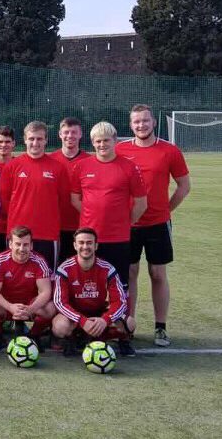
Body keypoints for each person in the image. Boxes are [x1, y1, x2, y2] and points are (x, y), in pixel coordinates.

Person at [116, 104, 191, 347]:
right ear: (131, 125)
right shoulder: (120, 150)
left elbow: (184, 186)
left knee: (157, 273)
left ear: (154, 122)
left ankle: (160, 327)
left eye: (145, 120)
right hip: (128, 224)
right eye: (137, 122)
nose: (141, 125)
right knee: (130, 272)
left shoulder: (169, 151)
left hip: (158, 224)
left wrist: (166, 210)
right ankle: (128, 323)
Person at [71, 122, 147, 305]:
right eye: (98, 141)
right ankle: (89, 319)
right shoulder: (82, 166)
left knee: (119, 285)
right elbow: (75, 200)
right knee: (88, 287)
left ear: (115, 141)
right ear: (92, 142)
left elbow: (141, 203)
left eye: (106, 140)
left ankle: (120, 320)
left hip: (118, 238)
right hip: (89, 239)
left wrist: (125, 222)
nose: (102, 144)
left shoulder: (129, 167)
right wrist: (92, 216)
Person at [53, 228, 135, 356]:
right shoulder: (64, 269)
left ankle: (116, 339)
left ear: (96, 246)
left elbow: (120, 301)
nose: (85, 246)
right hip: (76, 315)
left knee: (129, 323)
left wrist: (105, 320)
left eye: (89, 243)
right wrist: (82, 320)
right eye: (81, 243)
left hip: (99, 313)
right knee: (60, 326)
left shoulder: (108, 269)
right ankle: (73, 338)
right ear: (75, 245)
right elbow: (60, 303)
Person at [0, 121, 69, 269]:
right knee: (15, 277)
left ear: (46, 140)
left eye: (39, 139)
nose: (35, 143)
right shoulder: (12, 166)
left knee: (48, 277)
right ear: (25, 140)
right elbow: (5, 201)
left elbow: (63, 202)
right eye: (31, 138)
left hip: (47, 234)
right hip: (18, 235)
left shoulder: (58, 168)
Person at [0, 226, 55, 351]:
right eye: (18, 244)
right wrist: (10, 307)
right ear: (10, 244)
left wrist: (30, 309)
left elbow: (46, 292)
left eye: (26, 244)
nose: (22, 249)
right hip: (6, 306)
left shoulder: (39, 261)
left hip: (30, 306)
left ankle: (34, 335)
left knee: (50, 308)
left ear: (31, 245)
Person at [48, 117, 92, 262]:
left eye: (74, 132)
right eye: (66, 132)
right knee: (56, 269)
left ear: (80, 134)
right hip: (55, 226)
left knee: (82, 268)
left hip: (82, 225)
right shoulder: (50, 160)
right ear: (60, 134)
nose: (70, 136)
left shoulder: (90, 161)